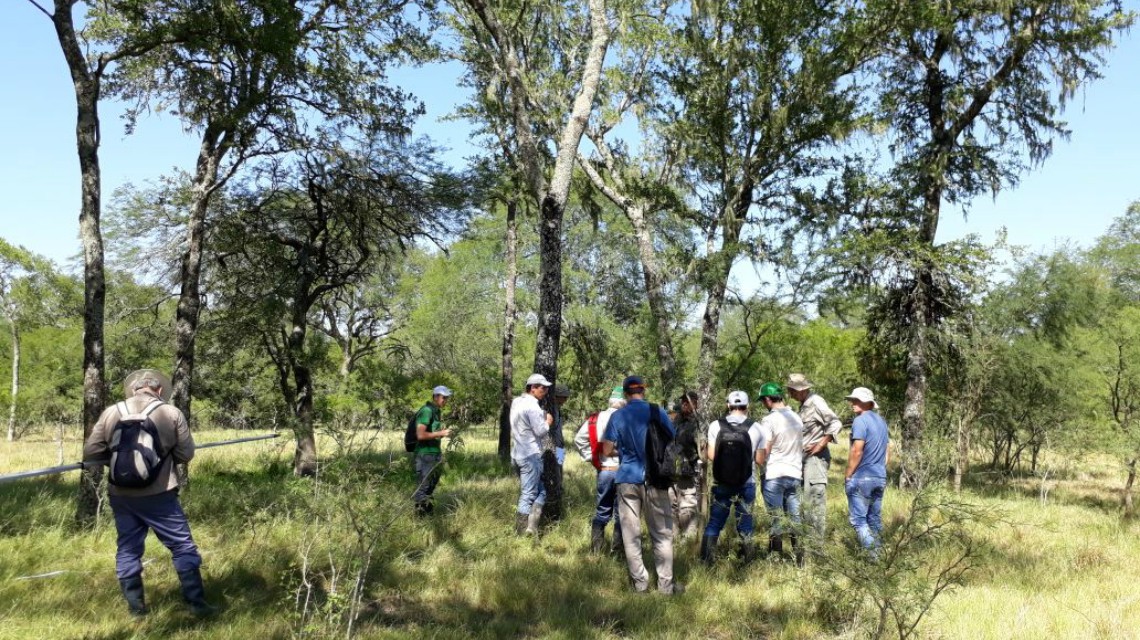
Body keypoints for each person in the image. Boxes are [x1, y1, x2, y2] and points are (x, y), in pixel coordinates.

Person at [82, 369, 214, 618]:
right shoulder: (171, 413)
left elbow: (91, 452)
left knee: (128, 548)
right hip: (160, 493)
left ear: (133, 389)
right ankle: (197, 605)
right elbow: (186, 455)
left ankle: (136, 611)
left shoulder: (111, 412)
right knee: (182, 546)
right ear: (159, 390)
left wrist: (119, 461)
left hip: (121, 495)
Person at [602, 375, 682, 595]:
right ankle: (666, 586)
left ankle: (640, 584)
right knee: (662, 534)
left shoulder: (618, 415)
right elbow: (672, 440)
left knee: (631, 535)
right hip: (655, 479)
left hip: (627, 478)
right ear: (643, 391)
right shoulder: (657, 411)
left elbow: (606, 450)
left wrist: (624, 451)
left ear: (626, 393)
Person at [700, 390, 763, 565]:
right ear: (747, 406)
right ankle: (747, 564)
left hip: (722, 483)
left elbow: (711, 455)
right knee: (746, 523)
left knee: (714, 523)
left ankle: (706, 562)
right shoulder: (756, 427)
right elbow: (760, 460)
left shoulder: (715, 425)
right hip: (747, 483)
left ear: (728, 405)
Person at [786, 373, 841, 543]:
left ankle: (817, 549)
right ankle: (807, 545)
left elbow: (835, 423)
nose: (790, 394)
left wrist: (820, 444)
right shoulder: (803, 406)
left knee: (815, 504)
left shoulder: (816, 402)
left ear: (802, 390)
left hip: (815, 461)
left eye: (792, 391)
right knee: (805, 504)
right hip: (804, 461)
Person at [755, 381, 805, 564]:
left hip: (775, 475)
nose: (763, 404)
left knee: (776, 518)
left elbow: (764, 451)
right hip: (795, 474)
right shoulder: (796, 417)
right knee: (795, 519)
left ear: (768, 400)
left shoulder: (769, 420)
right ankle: (800, 560)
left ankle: (775, 559)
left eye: (763, 401)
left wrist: (757, 459)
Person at [573, 385, 626, 553]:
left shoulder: (596, 418)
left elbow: (579, 439)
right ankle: (618, 552)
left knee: (602, 510)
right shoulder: (627, 418)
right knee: (621, 513)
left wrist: (592, 458)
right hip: (624, 471)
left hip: (605, 469)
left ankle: (596, 551)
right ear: (624, 401)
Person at [844, 386, 889, 555]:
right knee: (874, 520)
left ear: (869, 403)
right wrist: (879, 469)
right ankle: (882, 557)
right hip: (880, 476)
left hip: (862, 477)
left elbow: (857, 450)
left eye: (857, 400)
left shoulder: (860, 421)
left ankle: (875, 558)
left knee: (859, 522)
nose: (853, 403)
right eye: (853, 400)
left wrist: (848, 475)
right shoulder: (882, 422)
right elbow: (887, 451)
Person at [511, 373, 553, 534]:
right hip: (530, 454)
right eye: (543, 388)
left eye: (546, 388)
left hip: (517, 453)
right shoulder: (533, 406)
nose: (546, 391)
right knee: (528, 494)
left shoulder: (516, 402)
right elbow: (541, 431)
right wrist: (547, 422)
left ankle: (531, 527)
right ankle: (521, 532)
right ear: (533, 388)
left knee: (541, 491)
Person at [411, 385, 454, 516]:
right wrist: (441, 433)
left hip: (435, 454)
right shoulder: (427, 411)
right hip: (425, 455)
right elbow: (420, 435)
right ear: (435, 397)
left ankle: (428, 516)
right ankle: (420, 519)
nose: (445, 400)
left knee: (430, 487)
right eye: (443, 397)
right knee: (423, 488)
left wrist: (441, 434)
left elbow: (432, 433)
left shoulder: (436, 411)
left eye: (447, 398)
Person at [669, 391, 702, 541]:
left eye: (688, 402)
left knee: (687, 506)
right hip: (670, 471)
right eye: (683, 402)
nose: (684, 404)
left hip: (688, 471)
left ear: (695, 404)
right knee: (671, 505)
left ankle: (688, 541)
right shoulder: (674, 421)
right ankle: (673, 538)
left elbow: (703, 450)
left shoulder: (698, 423)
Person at [542, 383, 571, 522]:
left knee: (560, 470)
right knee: (555, 473)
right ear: (557, 396)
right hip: (554, 448)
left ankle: (559, 492)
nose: (565, 400)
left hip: (560, 448)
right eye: (564, 397)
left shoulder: (557, 409)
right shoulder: (550, 409)